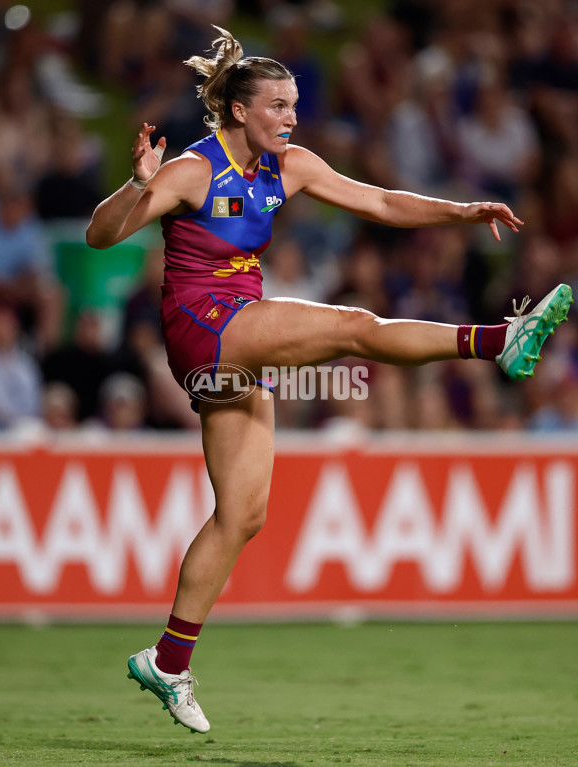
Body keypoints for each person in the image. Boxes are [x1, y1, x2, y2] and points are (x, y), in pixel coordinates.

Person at [86, 26, 573, 734]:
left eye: (293, 103)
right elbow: (100, 237)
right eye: (278, 105)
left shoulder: (292, 164)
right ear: (240, 111)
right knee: (353, 326)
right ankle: (501, 338)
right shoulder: (194, 169)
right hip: (207, 325)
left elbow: (379, 203)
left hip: (237, 335)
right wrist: (136, 184)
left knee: (243, 514)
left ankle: (167, 659)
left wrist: (460, 212)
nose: (291, 115)